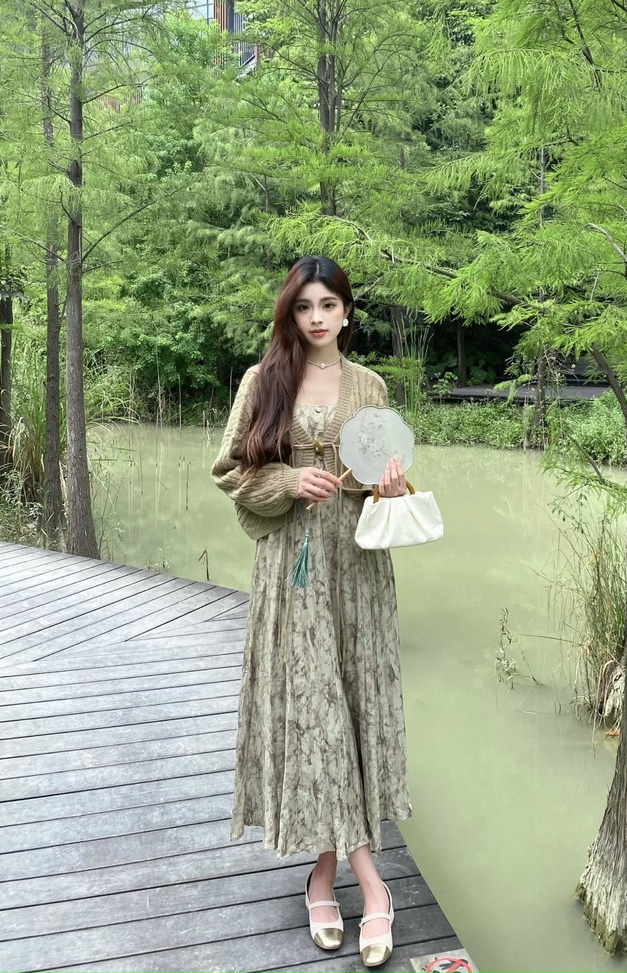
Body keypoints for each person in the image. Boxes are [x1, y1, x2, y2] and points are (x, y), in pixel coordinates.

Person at [210, 255, 412, 968]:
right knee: (317, 712)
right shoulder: (262, 381)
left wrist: (391, 485)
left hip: (356, 569)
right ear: (290, 313)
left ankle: (321, 877)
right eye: (304, 306)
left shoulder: (370, 386)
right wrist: (291, 480)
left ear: (347, 312)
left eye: (328, 304)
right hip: (292, 571)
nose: (317, 317)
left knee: (347, 711)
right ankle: (373, 887)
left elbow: (383, 474)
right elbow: (230, 469)